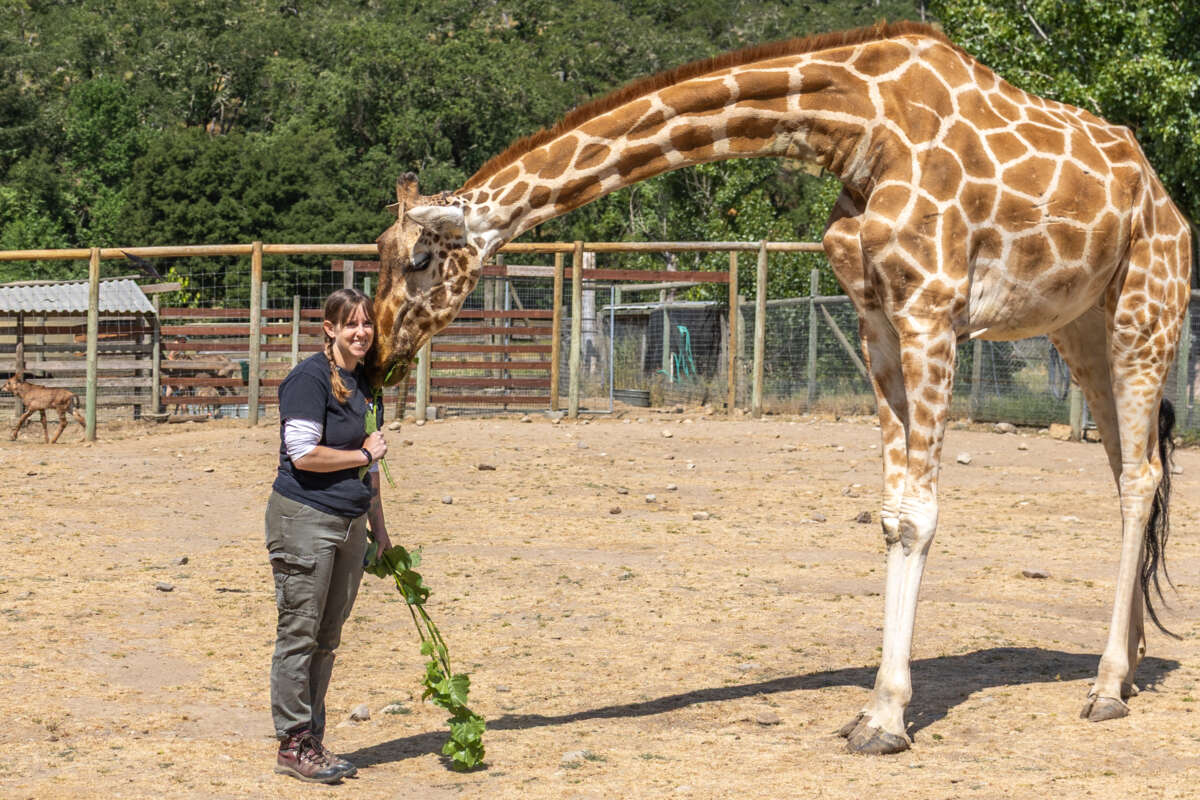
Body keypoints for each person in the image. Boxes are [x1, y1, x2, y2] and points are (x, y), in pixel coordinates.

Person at [264, 288, 392, 783]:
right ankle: (293, 742)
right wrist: (363, 457)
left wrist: (379, 527)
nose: (362, 332)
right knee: (299, 631)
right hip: (305, 518)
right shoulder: (309, 379)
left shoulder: (365, 384)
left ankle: (311, 739)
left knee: (328, 636)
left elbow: (372, 460)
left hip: (350, 523)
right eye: (352, 324)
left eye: (368, 325)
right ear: (329, 328)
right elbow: (303, 454)